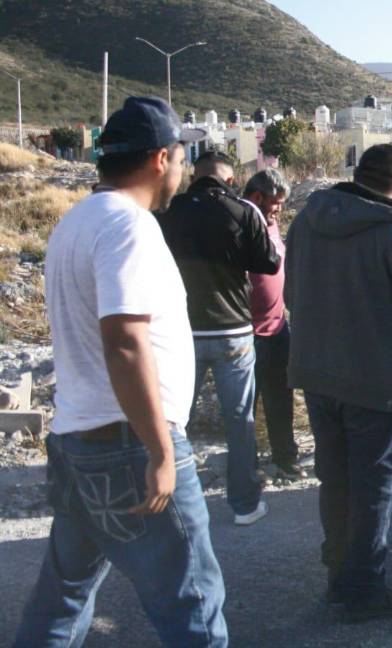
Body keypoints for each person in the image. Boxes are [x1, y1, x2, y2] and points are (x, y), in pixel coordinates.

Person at [15, 97, 227, 645]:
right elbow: (125, 342)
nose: (183, 168)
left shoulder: (75, 223)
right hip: (128, 445)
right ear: (161, 158)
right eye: (182, 157)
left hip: (77, 442)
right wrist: (159, 451)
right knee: (192, 605)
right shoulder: (127, 226)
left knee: (63, 596)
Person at [285, 144, 392, 622]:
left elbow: (293, 292)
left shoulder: (307, 221)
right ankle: (362, 590)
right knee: (373, 487)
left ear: (356, 175)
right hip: (377, 384)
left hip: (318, 376)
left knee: (335, 481)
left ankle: (340, 576)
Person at [157, 151, 281, 525]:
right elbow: (269, 263)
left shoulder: (167, 211)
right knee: (239, 421)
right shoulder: (242, 211)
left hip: (182, 331)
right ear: (229, 180)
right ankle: (244, 505)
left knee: (175, 421)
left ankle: (168, 505)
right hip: (233, 332)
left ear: (194, 177)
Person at [241, 169, 304, 479]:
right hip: (246, 334)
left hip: (278, 327)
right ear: (256, 197)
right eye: (275, 203)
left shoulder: (272, 224)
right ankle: (245, 468)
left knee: (281, 397)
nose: (279, 209)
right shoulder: (239, 222)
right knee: (245, 407)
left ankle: (285, 457)